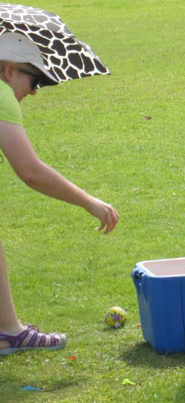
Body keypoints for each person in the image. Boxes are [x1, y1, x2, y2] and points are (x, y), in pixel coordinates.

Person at [0, 32, 119, 355]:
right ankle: (10, 332)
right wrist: (90, 202)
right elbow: (31, 172)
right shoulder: (2, 94)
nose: (35, 92)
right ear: (9, 71)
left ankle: (8, 331)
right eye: (34, 80)